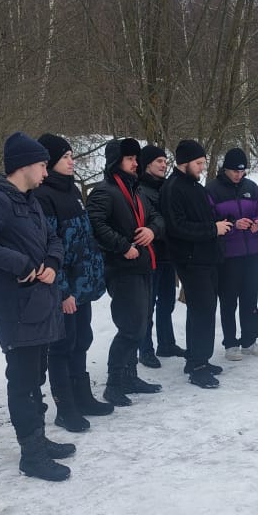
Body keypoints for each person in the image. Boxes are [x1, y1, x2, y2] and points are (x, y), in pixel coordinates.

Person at [0, 133, 75, 482]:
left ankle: (38, 440)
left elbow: (51, 237)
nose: (46, 171)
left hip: (40, 303)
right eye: (42, 165)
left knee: (34, 377)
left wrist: (52, 261)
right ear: (24, 165)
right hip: (17, 307)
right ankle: (32, 455)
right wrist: (21, 264)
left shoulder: (29, 199)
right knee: (23, 381)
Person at [33, 134, 113, 434]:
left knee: (82, 340)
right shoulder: (43, 196)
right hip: (64, 289)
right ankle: (64, 407)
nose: (72, 161)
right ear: (50, 161)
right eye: (65, 156)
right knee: (63, 347)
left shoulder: (73, 192)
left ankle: (82, 397)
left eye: (71, 155)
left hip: (83, 286)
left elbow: (84, 240)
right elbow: (49, 249)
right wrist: (63, 290)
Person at [86, 138, 166, 403]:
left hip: (143, 265)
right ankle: (114, 383)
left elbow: (157, 217)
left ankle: (130, 376)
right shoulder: (103, 191)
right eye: (130, 159)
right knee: (130, 327)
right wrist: (123, 246)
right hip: (121, 269)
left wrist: (151, 230)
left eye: (136, 158)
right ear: (116, 161)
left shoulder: (137, 190)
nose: (136, 163)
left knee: (141, 325)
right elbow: (95, 225)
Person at [161, 139, 230, 388]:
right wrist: (213, 228)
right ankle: (198, 366)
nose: (202, 167)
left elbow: (203, 217)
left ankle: (197, 358)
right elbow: (177, 227)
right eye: (199, 163)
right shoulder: (173, 188)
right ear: (184, 162)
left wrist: (221, 222)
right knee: (201, 310)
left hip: (207, 257)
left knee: (205, 309)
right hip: (191, 260)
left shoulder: (194, 186)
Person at [207, 147, 258, 360]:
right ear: (226, 168)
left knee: (250, 299)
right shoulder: (213, 189)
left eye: (242, 171)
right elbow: (209, 221)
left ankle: (249, 341)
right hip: (227, 255)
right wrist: (234, 224)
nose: (238, 175)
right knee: (228, 300)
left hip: (251, 252)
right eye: (235, 170)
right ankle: (230, 344)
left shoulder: (251, 187)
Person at [137, 144, 184, 366]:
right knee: (148, 304)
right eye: (159, 161)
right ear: (147, 164)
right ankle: (145, 349)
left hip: (168, 253)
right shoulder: (139, 189)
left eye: (165, 161)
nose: (164, 165)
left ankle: (166, 343)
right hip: (150, 254)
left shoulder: (167, 187)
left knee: (167, 302)